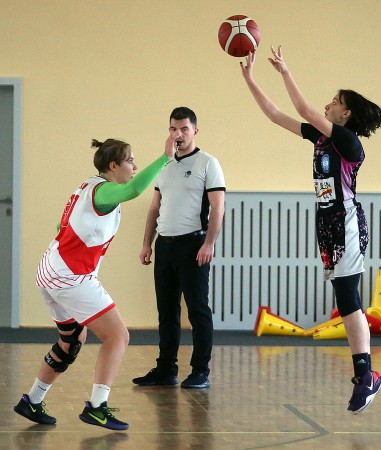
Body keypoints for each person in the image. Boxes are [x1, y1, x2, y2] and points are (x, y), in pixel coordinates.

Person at [240, 47, 381, 414]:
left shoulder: (349, 142)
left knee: (348, 299)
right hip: (327, 225)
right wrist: (250, 79)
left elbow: (304, 110)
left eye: (335, 102)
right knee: (345, 298)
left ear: (345, 113)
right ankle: (367, 375)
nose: (328, 104)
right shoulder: (321, 139)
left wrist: (285, 71)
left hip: (346, 223)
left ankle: (366, 376)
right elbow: (276, 115)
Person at [14, 135, 177, 429]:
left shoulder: (88, 186)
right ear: (113, 166)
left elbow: (60, 226)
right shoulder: (104, 191)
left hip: (51, 270)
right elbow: (134, 190)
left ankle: (32, 401)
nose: (134, 166)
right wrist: (165, 157)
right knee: (118, 336)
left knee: (72, 341)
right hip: (70, 277)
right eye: (130, 161)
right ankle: (97, 407)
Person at [132, 107, 226, 389]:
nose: (179, 134)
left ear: (194, 131)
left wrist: (209, 243)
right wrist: (146, 243)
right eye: (174, 129)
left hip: (193, 244)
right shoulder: (164, 165)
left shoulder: (208, 163)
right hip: (165, 244)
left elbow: (218, 207)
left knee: (197, 310)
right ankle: (166, 368)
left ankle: (200, 371)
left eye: (184, 129)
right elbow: (155, 207)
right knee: (166, 310)